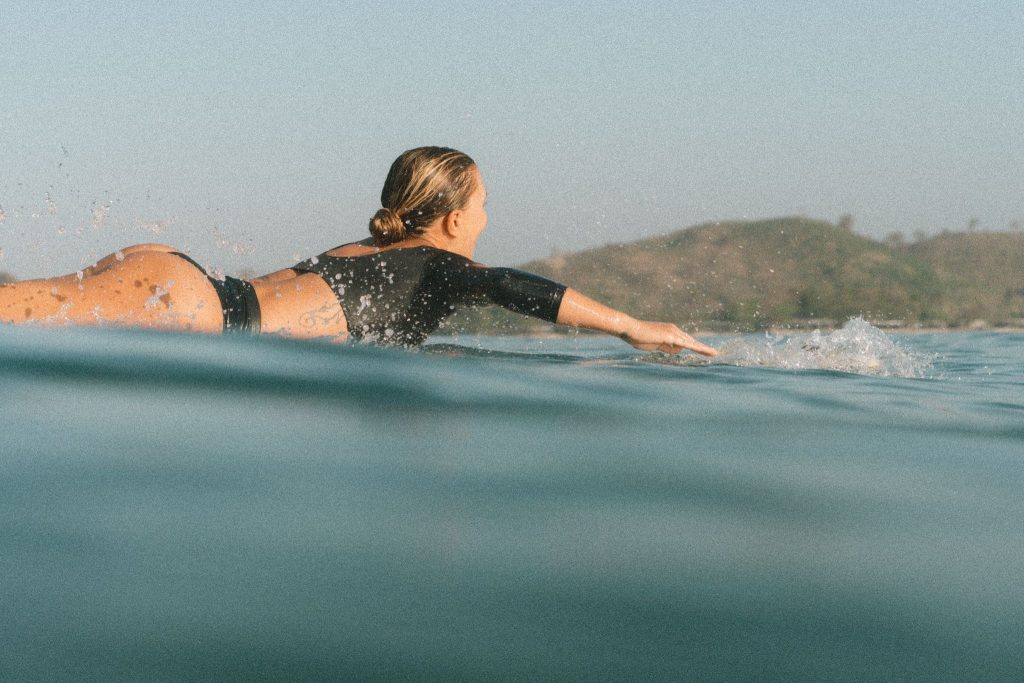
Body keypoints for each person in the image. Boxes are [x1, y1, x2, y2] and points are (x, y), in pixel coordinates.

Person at [0, 147, 716, 356]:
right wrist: (629, 325)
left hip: (174, 281)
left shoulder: (368, 249)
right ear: (452, 219)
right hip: (189, 308)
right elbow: (516, 288)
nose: (489, 217)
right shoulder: (439, 265)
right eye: (484, 204)